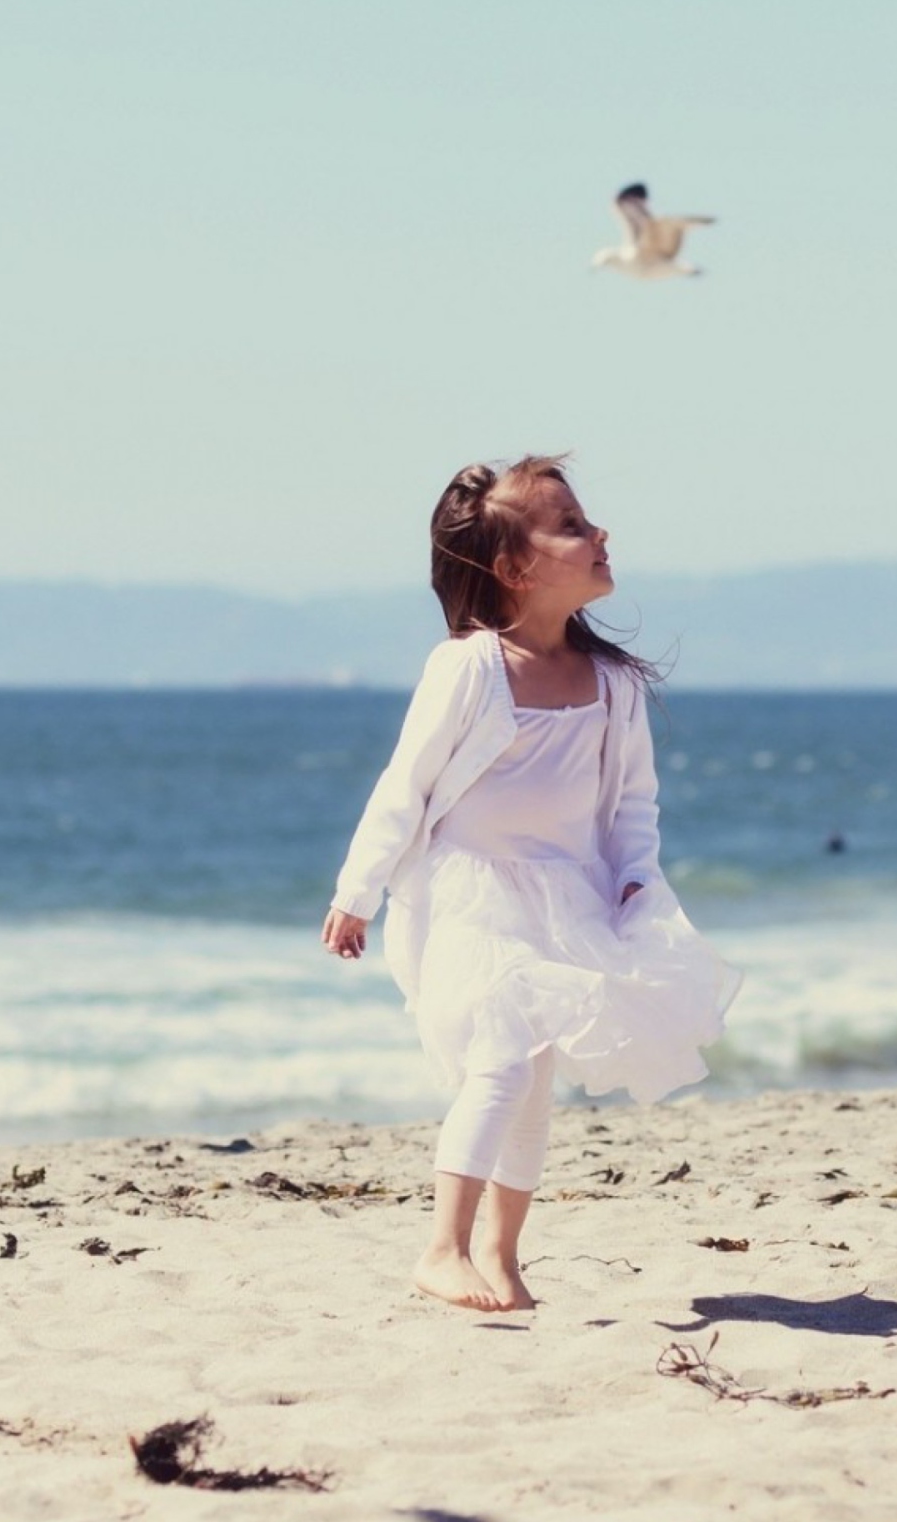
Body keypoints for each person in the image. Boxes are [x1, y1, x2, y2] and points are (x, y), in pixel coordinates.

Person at [322, 455, 740, 1312]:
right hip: (472, 895)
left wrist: (633, 883)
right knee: (502, 1060)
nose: (599, 534)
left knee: (536, 1083)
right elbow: (404, 785)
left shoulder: (614, 685)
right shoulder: (470, 669)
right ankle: (442, 1248)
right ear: (515, 570)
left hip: (569, 899)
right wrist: (356, 892)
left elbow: (632, 803)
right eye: (573, 525)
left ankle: (502, 1255)